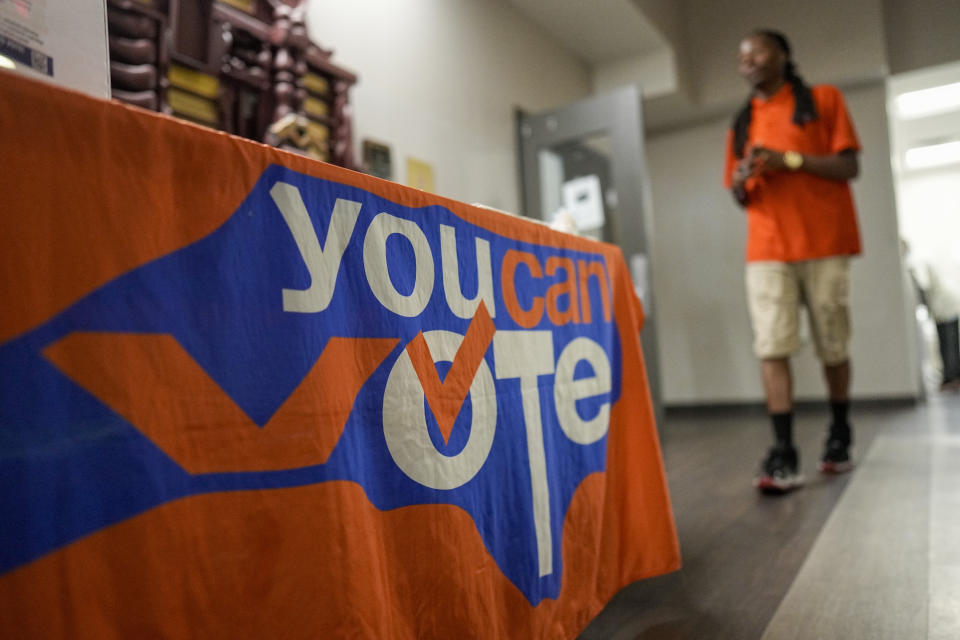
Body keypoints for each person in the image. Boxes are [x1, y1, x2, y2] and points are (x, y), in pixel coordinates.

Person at [723, 29, 863, 493]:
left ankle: (839, 433)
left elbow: (849, 166)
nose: (748, 61)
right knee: (771, 345)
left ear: (782, 53)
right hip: (766, 249)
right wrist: (743, 178)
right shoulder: (741, 123)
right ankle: (784, 451)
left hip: (825, 242)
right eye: (742, 57)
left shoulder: (823, 99)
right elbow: (739, 195)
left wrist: (792, 161)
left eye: (757, 51)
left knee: (833, 343)